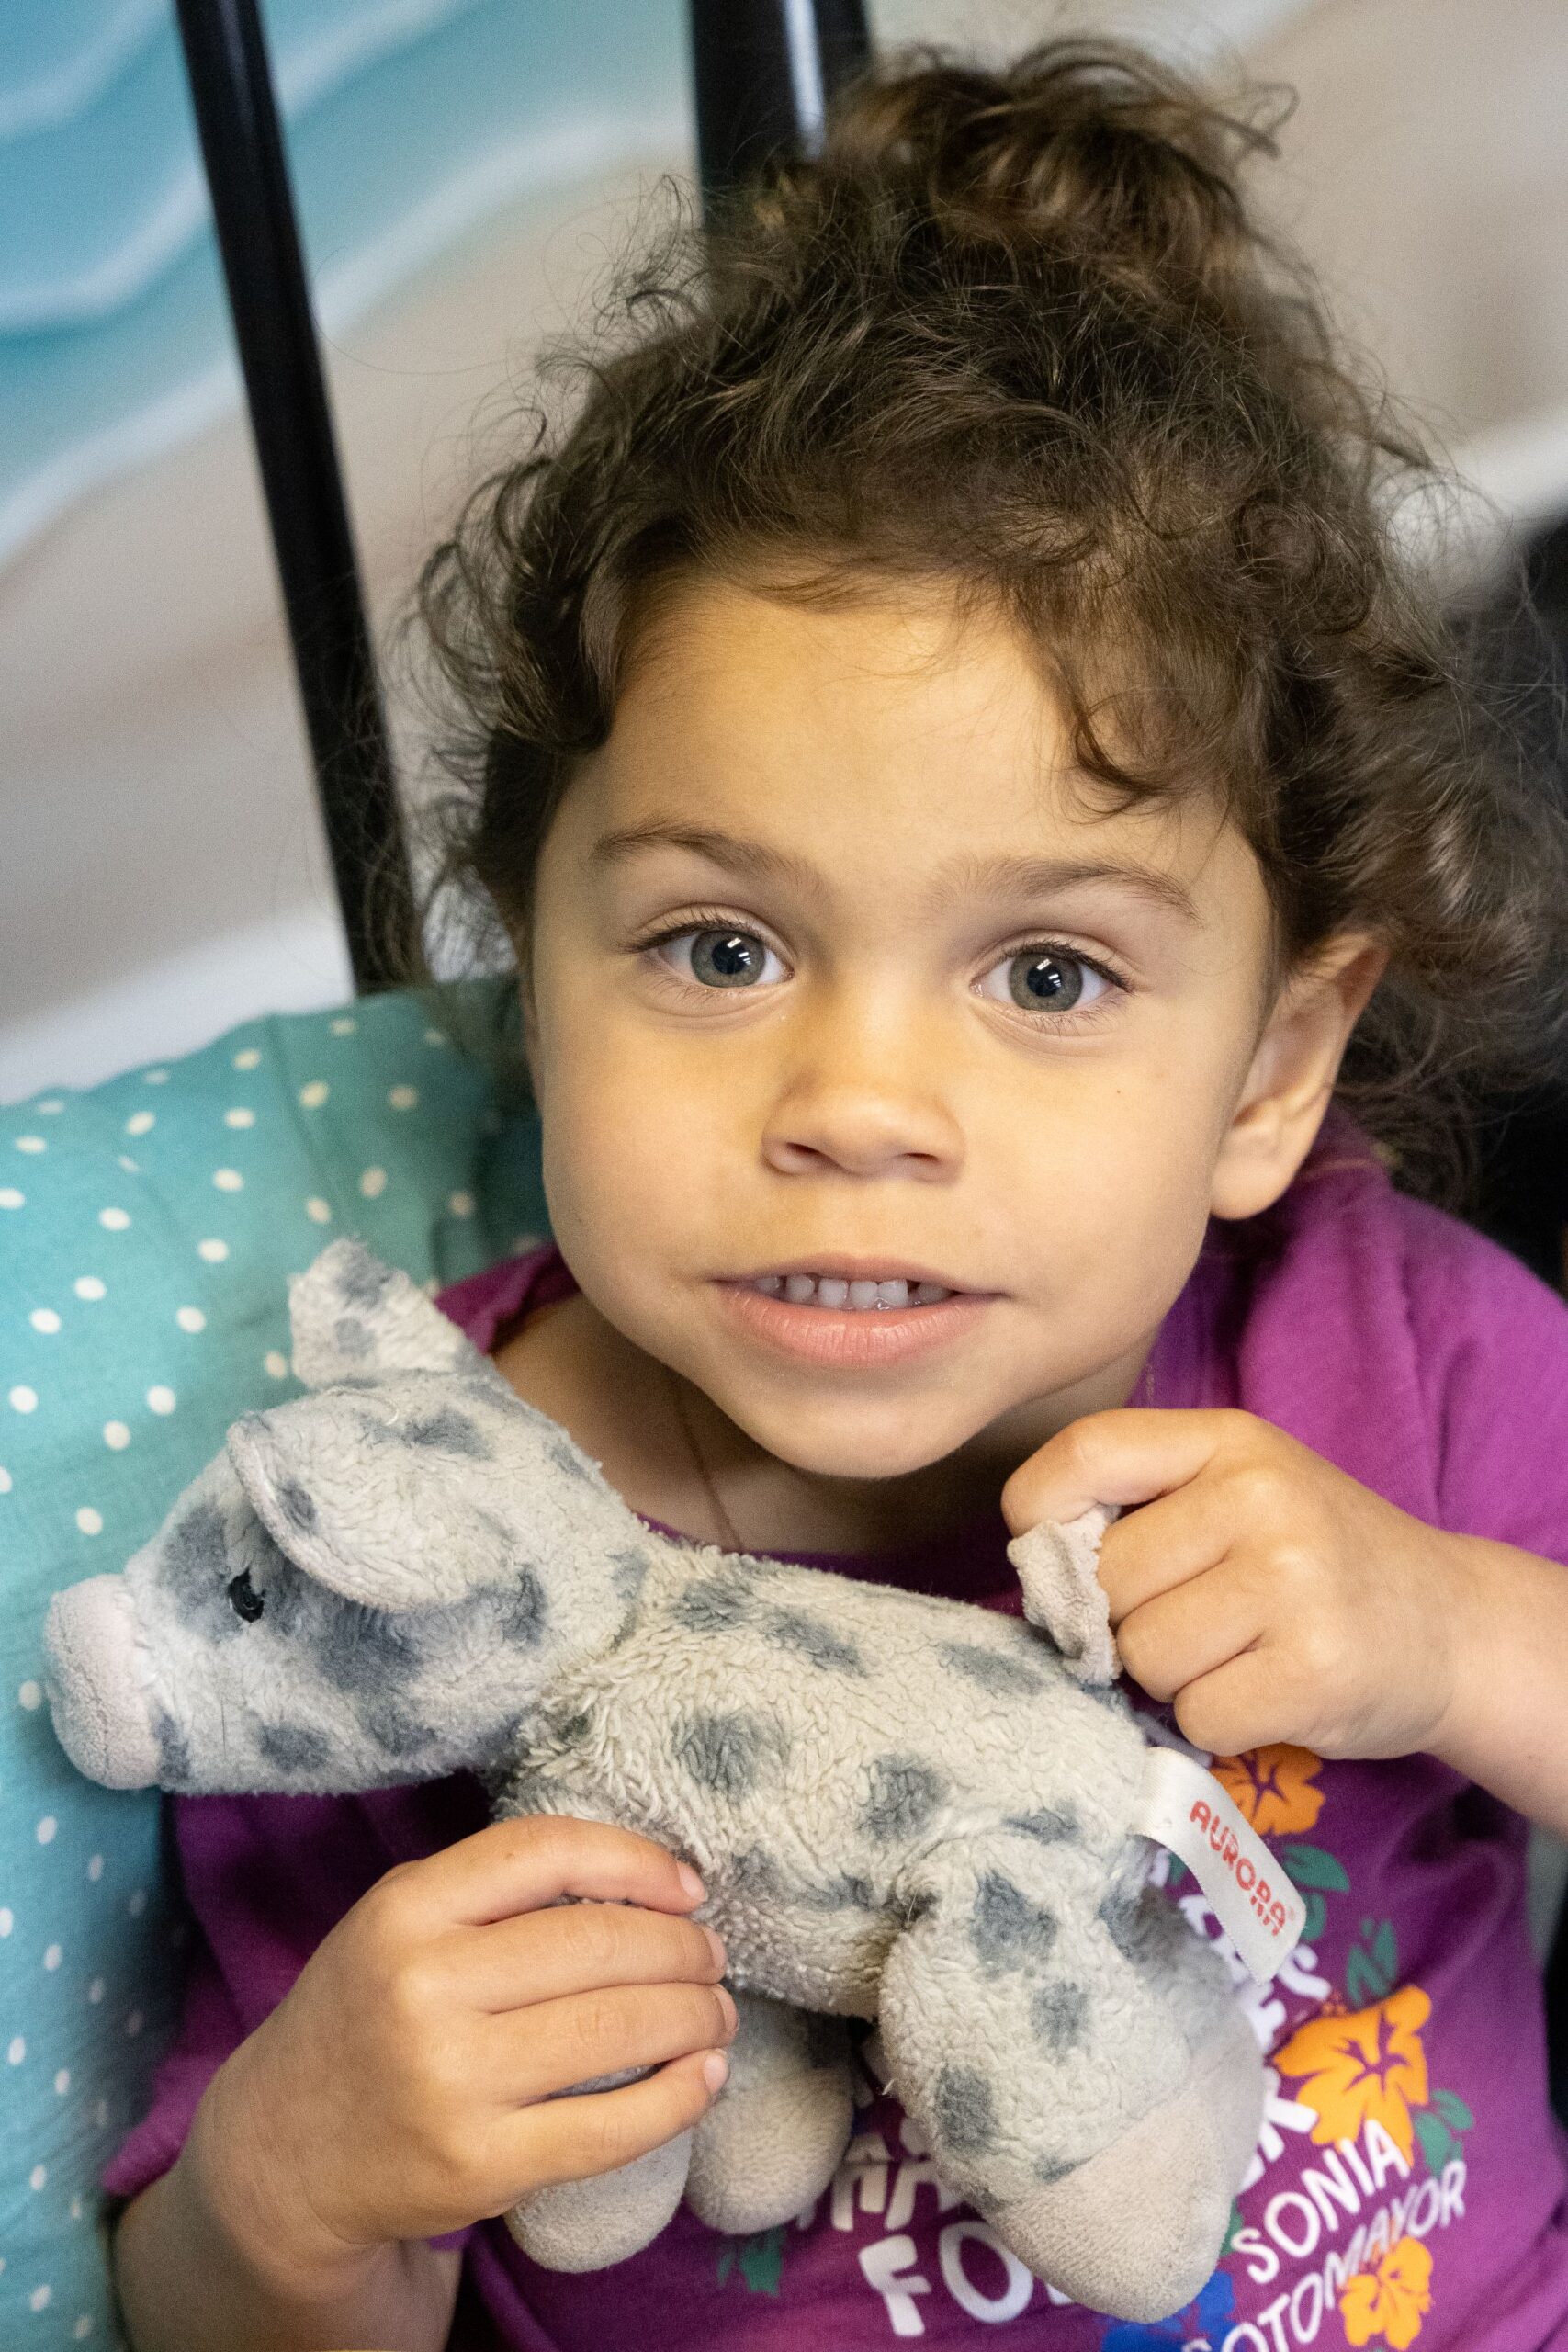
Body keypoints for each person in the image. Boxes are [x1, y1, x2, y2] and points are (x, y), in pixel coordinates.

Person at [104, 37, 1568, 2352]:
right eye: (717, 946)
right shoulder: (410, 1555)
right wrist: (292, 2192)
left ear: (1271, 1062)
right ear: (534, 953)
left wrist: (1453, 1632)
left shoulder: (1383, 1349)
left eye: (1051, 968)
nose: (857, 1100)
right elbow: (233, 2309)